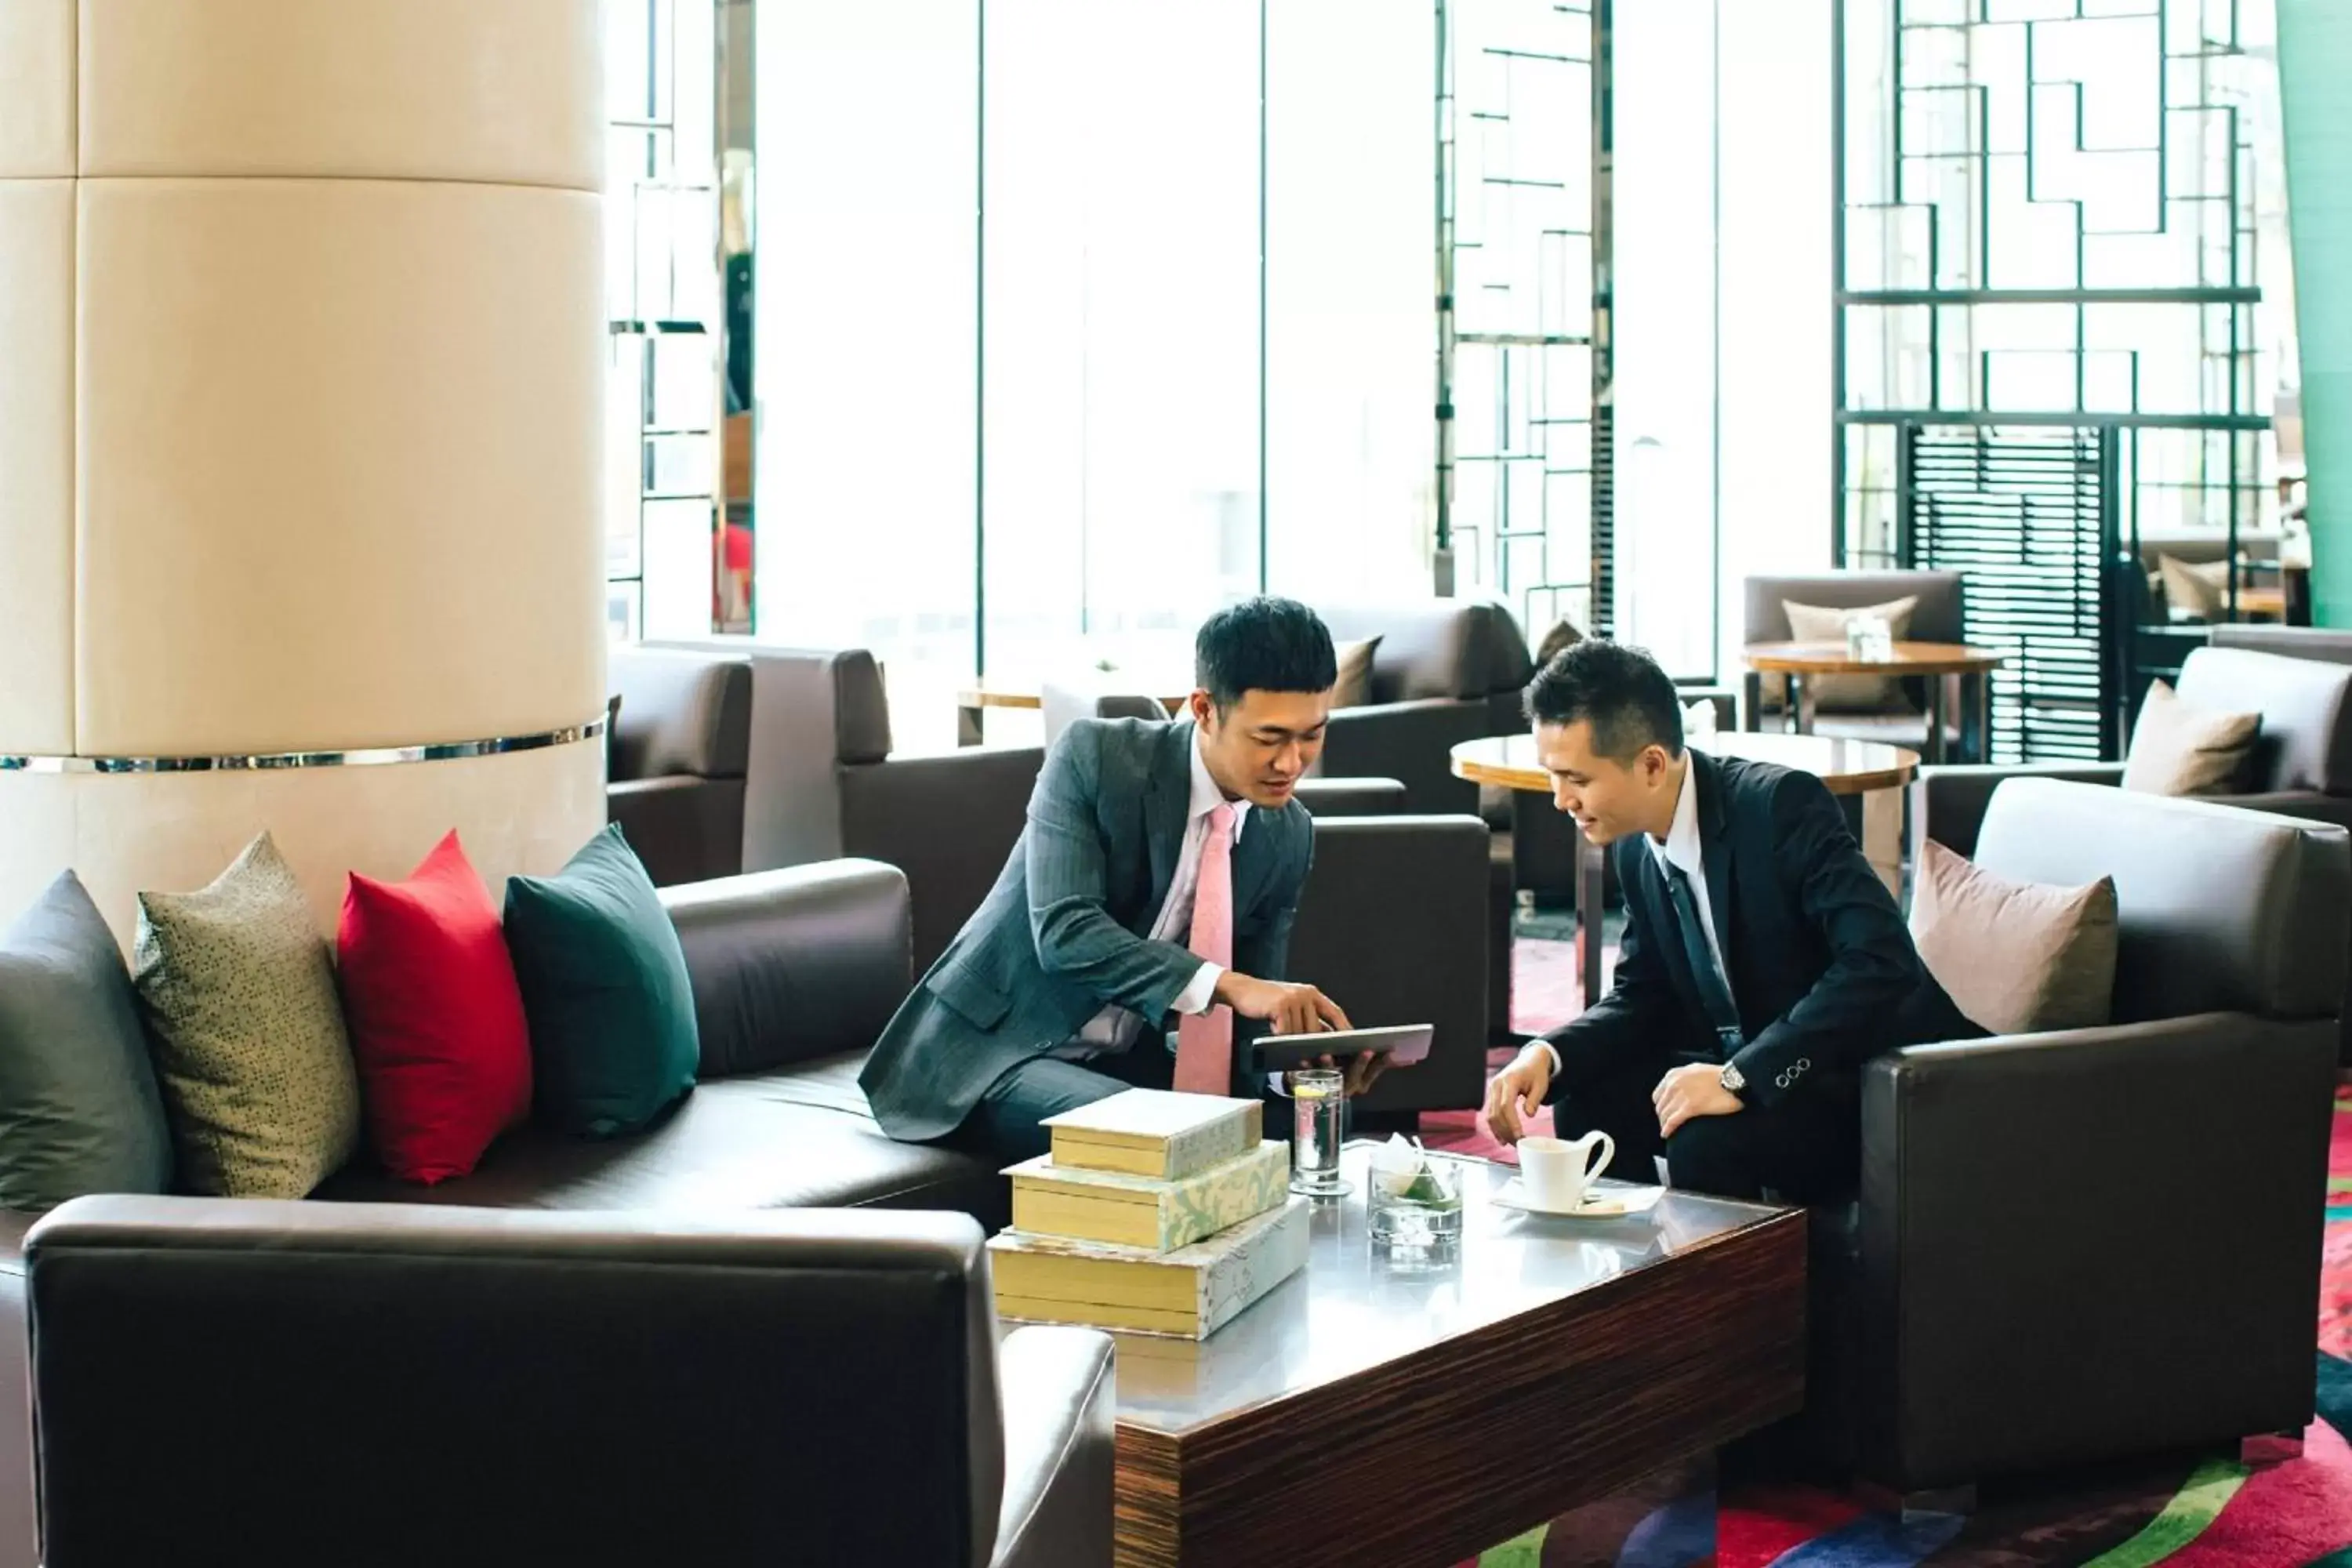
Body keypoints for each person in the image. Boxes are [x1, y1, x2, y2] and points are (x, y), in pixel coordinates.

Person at [862, 597, 1388, 1165]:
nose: (1292, 762)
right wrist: (1232, 986)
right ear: (1205, 710)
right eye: (1269, 739)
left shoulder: (1287, 833)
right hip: (993, 1052)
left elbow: (1250, 1011)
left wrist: (1299, 1065)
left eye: (1311, 735)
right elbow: (1066, 932)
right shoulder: (1098, 758)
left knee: (1311, 1119)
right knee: (1159, 1138)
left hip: (1128, 1062)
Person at [1481, 639, 1976, 1201]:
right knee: (1583, 1094)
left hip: (1866, 1081)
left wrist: (1742, 1076)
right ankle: (1633, 1270)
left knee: (1705, 1137)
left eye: (1577, 778)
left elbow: (1881, 959)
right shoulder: (1636, 847)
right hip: (1758, 1060)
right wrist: (1548, 1052)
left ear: (1650, 764)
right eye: (1553, 776)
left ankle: (1726, 1288)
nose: (1559, 799)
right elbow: (1643, 996)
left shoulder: (1779, 808)